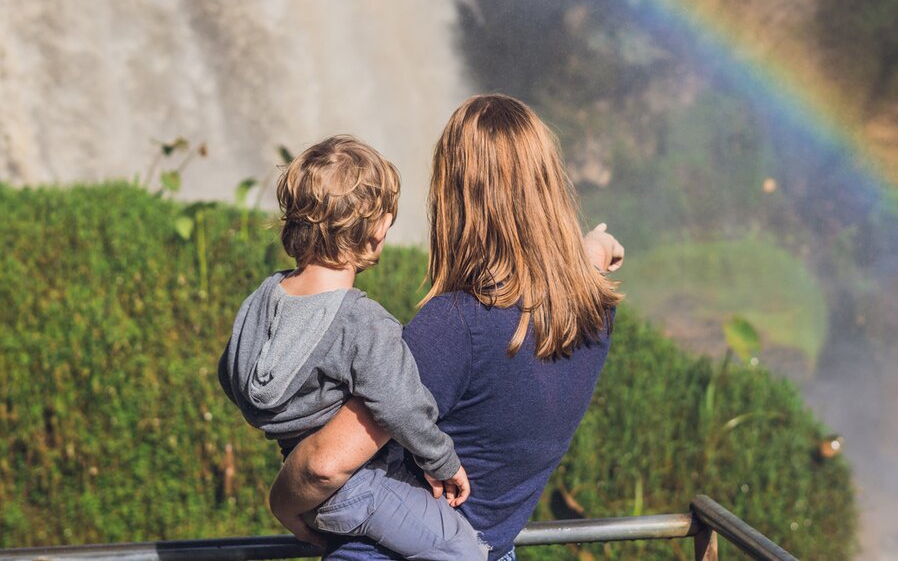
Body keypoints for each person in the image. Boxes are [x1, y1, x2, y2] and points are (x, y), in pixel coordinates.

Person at [268, 95, 626, 561]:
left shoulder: (456, 325)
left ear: (453, 195)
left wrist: (282, 503)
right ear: (549, 186)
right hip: (492, 549)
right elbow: (574, 268)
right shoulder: (595, 308)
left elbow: (323, 467)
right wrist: (593, 248)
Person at [218, 135, 487, 560]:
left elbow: (230, 371)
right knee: (464, 551)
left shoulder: (265, 296)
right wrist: (443, 462)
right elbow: (402, 406)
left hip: (302, 482)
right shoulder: (363, 322)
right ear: (377, 231)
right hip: (361, 486)